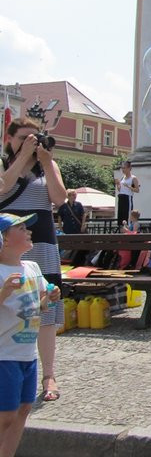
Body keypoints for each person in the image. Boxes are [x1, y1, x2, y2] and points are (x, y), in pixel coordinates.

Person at [0, 117, 67, 403]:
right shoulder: (4, 165)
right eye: (23, 138)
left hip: (41, 244)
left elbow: (60, 199)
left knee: (45, 306)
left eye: (34, 138)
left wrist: (47, 162)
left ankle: (48, 374)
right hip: (6, 244)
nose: (30, 142)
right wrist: (23, 156)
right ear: (9, 140)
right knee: (8, 303)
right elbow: (2, 187)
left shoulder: (48, 165)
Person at [0, 212, 61, 457]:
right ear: (3, 239)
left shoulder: (32, 268)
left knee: (24, 409)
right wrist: (4, 292)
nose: (30, 232)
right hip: (4, 355)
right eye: (22, 228)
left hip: (27, 354)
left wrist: (50, 298)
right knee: (5, 415)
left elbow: (38, 306)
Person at [114, 161, 139, 229]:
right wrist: (118, 184)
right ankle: (121, 232)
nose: (123, 169)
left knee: (127, 217)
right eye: (122, 168)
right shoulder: (122, 178)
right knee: (121, 218)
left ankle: (128, 232)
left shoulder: (133, 178)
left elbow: (137, 190)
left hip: (127, 198)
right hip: (121, 198)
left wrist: (129, 186)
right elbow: (120, 190)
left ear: (129, 168)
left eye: (124, 168)